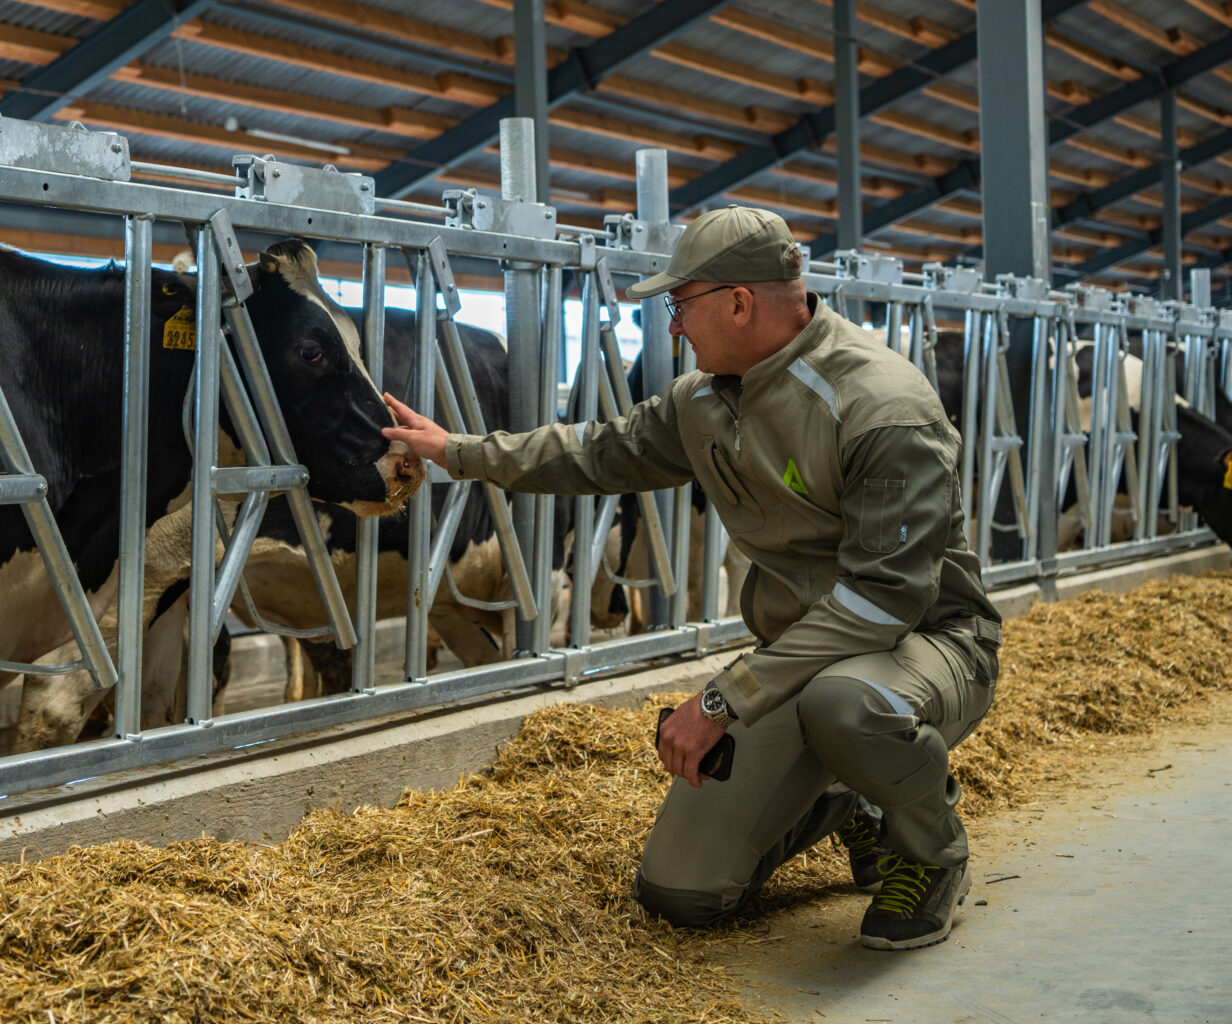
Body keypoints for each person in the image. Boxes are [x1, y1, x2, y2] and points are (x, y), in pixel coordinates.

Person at [382, 204, 1002, 951]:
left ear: (739, 303)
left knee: (849, 704)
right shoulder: (704, 400)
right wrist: (461, 450)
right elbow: (596, 452)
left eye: (681, 305)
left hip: (921, 644)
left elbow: (881, 600)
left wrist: (722, 699)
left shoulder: (881, 406)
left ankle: (930, 853)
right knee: (682, 892)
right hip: (800, 661)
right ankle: (855, 802)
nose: (673, 327)